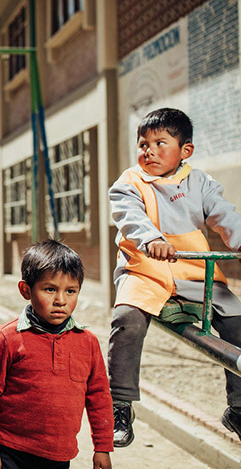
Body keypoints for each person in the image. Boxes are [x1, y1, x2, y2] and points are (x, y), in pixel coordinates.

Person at [108, 107, 241, 447]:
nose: (148, 151)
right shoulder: (129, 182)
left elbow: (225, 215)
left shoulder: (200, 182)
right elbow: (129, 215)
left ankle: (239, 408)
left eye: (159, 143)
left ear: (185, 151)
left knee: (237, 320)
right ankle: (120, 404)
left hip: (195, 271)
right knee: (127, 320)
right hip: (146, 269)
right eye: (143, 144)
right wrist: (150, 238)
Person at [0, 239, 113, 469]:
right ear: (25, 290)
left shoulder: (87, 342)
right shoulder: (7, 338)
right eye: (50, 289)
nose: (61, 301)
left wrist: (103, 447)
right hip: (11, 450)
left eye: (71, 291)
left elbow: (99, 398)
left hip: (59, 456)